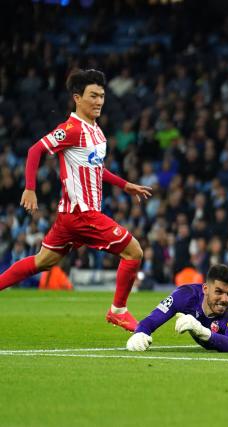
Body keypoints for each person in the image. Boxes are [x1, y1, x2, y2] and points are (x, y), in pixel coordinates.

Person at [0, 69, 152, 331]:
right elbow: (35, 150)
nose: (99, 101)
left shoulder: (97, 132)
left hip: (70, 217)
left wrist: (124, 185)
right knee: (134, 251)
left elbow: (96, 169)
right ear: (77, 98)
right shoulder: (71, 129)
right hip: (83, 214)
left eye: (102, 96)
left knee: (43, 261)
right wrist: (30, 188)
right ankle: (118, 310)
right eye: (93, 96)